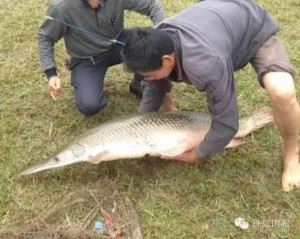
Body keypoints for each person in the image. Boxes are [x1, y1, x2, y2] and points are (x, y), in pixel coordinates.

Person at [121, 0, 300, 192]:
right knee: (157, 79)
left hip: (253, 28)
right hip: (218, 20)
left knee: (282, 93)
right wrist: (138, 125)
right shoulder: (152, 42)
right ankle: (170, 109)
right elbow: (154, 87)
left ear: (167, 59)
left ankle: (291, 153)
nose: (145, 79)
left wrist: (197, 153)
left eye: (146, 75)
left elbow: (226, 124)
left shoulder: (206, 63)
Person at [38, 0, 166, 116]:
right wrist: (51, 73)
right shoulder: (61, 7)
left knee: (150, 44)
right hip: (87, 59)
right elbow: (45, 38)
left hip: (118, 42)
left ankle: (139, 84)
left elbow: (151, 5)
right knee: (89, 105)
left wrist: (163, 33)